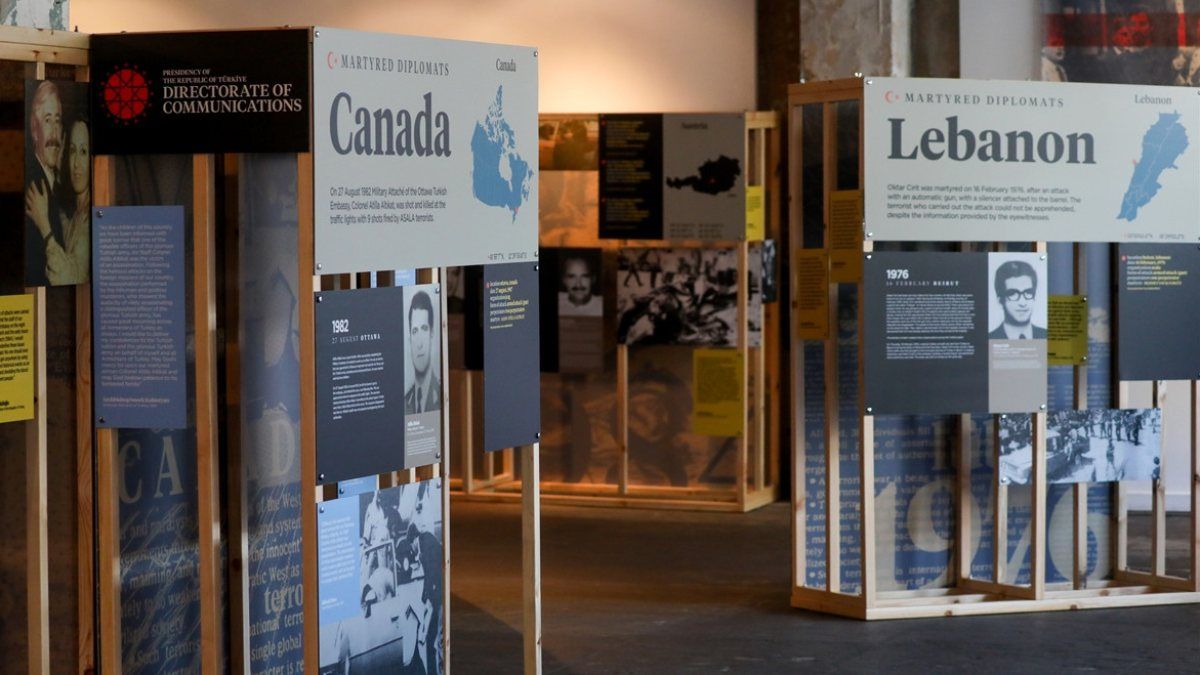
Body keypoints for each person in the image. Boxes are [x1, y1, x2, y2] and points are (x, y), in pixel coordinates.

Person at [26, 117, 89, 285]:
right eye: (72, 151)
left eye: (83, 152)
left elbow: (70, 278)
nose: (76, 164)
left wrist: (45, 227)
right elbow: (62, 221)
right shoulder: (76, 215)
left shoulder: (91, 218)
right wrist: (58, 166)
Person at [24, 80, 64, 287]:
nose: (54, 134)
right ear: (34, 129)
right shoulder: (33, 187)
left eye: (58, 121)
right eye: (47, 121)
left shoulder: (55, 184)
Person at [989, 259, 1046, 339]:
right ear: (1000, 300)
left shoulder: (1047, 336)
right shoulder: (989, 339)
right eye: (1013, 294)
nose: (1022, 303)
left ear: (1034, 297)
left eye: (1028, 292)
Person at [405, 290, 441, 414]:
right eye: (415, 331)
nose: (419, 344)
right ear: (410, 339)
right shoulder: (404, 402)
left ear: (432, 334)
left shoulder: (443, 394)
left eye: (424, 329)